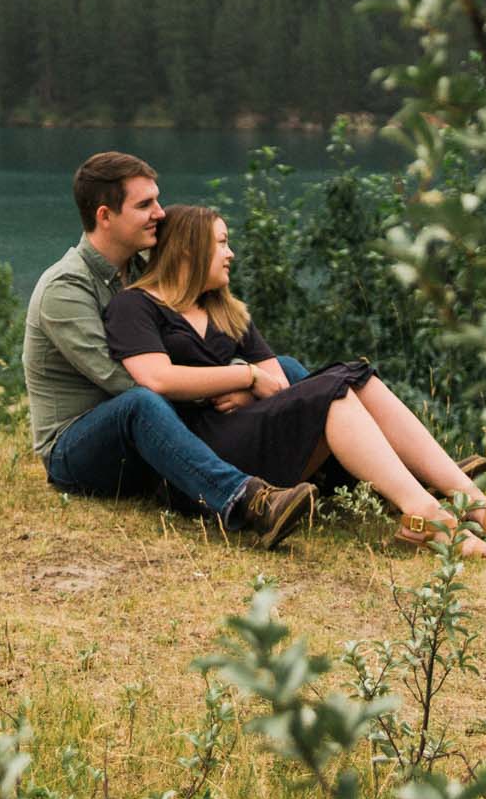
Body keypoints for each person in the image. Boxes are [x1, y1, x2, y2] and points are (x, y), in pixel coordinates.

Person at [104, 205, 486, 555]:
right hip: (199, 455)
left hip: (243, 430)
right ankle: (425, 514)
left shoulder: (225, 310)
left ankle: (468, 498)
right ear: (188, 250)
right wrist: (243, 375)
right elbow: (157, 380)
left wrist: (248, 392)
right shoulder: (136, 306)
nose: (230, 253)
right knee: (332, 391)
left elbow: (277, 383)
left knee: (356, 376)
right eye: (221, 243)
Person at [23, 152, 316, 547]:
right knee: (141, 403)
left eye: (157, 201)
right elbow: (126, 382)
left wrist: (246, 381)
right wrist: (236, 379)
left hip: (161, 428)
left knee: (287, 370)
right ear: (105, 216)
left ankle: (341, 479)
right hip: (81, 449)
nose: (160, 213)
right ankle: (248, 502)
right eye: (144, 205)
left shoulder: (145, 270)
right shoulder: (65, 288)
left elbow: (195, 344)